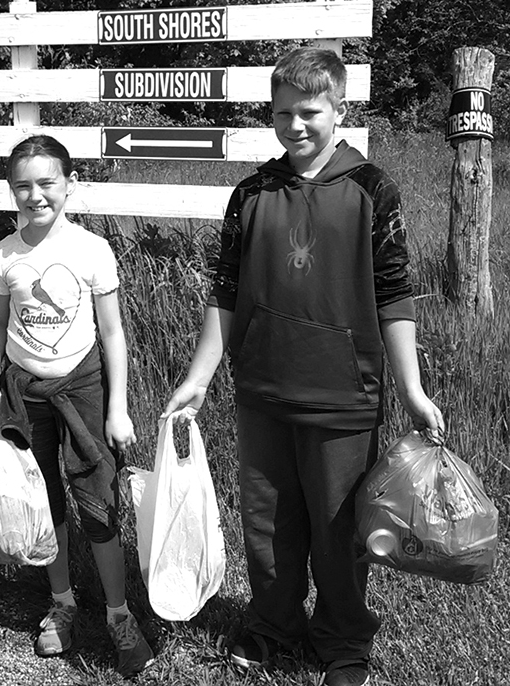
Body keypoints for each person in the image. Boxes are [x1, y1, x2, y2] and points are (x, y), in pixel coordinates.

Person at [163, 47, 444, 686]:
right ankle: (272, 627)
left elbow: (395, 293)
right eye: (283, 112)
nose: (296, 125)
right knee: (266, 528)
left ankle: (343, 640)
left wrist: (413, 389)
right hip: (261, 392)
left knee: (341, 532)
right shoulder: (251, 192)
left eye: (310, 112)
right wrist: (199, 378)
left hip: (345, 398)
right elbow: (226, 291)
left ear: (339, 110)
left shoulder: (373, 189)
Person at [0, 134, 154, 678]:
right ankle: (64, 602)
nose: (35, 195)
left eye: (46, 183)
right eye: (22, 186)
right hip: (26, 394)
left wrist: (118, 408)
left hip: (86, 388)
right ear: (11, 193)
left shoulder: (92, 249)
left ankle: (119, 614)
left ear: (68, 185)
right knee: (42, 501)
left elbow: (113, 333)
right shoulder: (3, 254)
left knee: (99, 503)